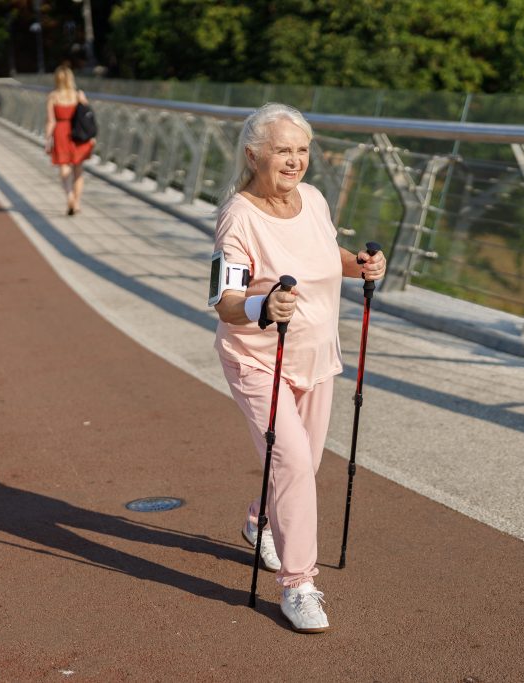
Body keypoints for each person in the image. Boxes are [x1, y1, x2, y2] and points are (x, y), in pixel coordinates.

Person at [212, 103, 386, 633]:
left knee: (302, 467)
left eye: (302, 150)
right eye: (282, 150)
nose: (294, 161)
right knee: (289, 460)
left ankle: (256, 521)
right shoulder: (238, 216)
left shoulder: (313, 200)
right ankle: (298, 584)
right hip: (259, 359)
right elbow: (224, 300)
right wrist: (262, 308)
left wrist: (363, 265)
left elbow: (326, 254)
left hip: (316, 358)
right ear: (253, 154)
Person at [44, 65, 93, 215]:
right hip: (77, 134)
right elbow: (87, 116)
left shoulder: (53, 96)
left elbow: (51, 121)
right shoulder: (77, 95)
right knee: (78, 170)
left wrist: (48, 140)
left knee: (64, 168)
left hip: (60, 132)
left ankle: (69, 195)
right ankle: (77, 203)